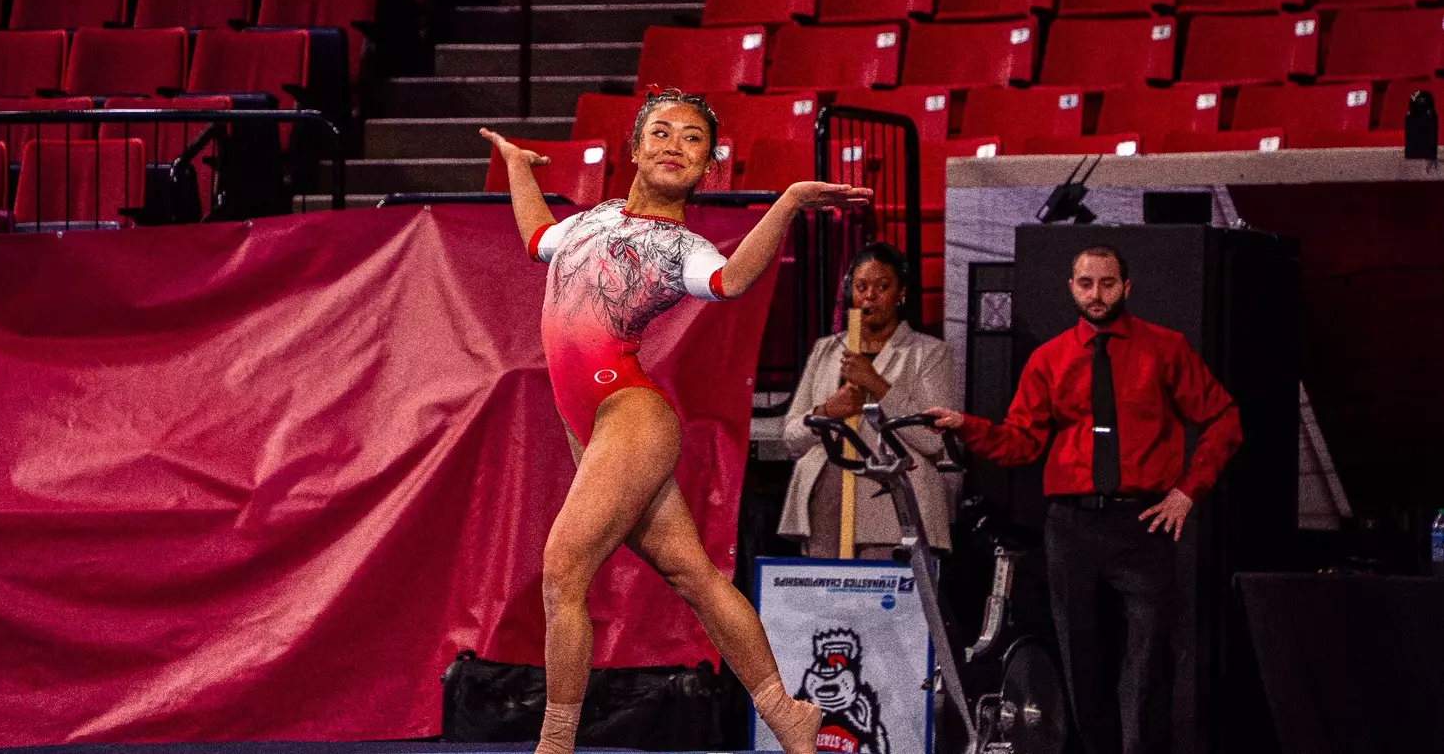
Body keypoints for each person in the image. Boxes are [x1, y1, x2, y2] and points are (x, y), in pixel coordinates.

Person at [481, 88, 873, 754]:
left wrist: (786, 203)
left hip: (628, 412)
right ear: (634, 149)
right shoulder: (588, 221)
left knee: (563, 568)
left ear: (705, 170)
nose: (675, 145)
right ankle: (786, 712)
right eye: (661, 132)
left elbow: (732, 281)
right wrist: (519, 166)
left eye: (693, 140)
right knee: (692, 575)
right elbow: (535, 236)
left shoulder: (678, 247)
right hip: (594, 429)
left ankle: (555, 743)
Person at [924, 245, 1243, 754]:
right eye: (1087, 284)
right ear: (1072, 287)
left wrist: (1187, 491)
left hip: (1144, 524)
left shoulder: (1165, 348)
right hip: (1072, 528)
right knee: (1082, 666)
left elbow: (1224, 418)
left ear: (1126, 287)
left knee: (1146, 668)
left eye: (1108, 283)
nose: (1098, 295)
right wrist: (968, 427)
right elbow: (1020, 441)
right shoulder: (1049, 359)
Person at [779, 242, 957, 558]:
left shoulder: (928, 353)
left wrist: (875, 384)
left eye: (882, 286)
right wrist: (825, 411)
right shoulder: (827, 350)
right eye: (861, 287)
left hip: (892, 508)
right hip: (825, 504)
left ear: (901, 292)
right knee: (823, 603)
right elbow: (791, 438)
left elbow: (933, 441)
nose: (870, 296)